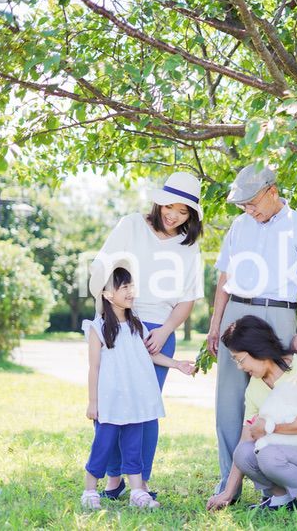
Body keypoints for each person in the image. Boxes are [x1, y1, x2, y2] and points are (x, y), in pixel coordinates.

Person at [206, 164, 297, 500]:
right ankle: (227, 483)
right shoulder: (238, 225)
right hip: (236, 311)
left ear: (272, 191)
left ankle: (271, 486)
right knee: (228, 402)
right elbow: (224, 278)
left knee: (278, 400)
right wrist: (215, 324)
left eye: (252, 202)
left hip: (279, 313)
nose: (248, 209)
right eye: (243, 205)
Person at [89, 171, 203, 499]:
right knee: (111, 403)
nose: (174, 216)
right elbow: (102, 269)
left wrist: (164, 331)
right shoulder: (131, 225)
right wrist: (110, 316)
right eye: (170, 207)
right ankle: (113, 479)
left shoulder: (189, 247)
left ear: (191, 216)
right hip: (119, 323)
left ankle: (142, 482)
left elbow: (187, 299)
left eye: (183, 212)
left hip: (158, 331)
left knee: (145, 410)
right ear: (159, 202)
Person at [206, 316, 297, 519]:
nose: (239, 367)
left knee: (267, 453)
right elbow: (246, 439)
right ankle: (282, 499)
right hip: (285, 460)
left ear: (258, 349)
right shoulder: (254, 387)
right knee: (244, 453)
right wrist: (228, 492)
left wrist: (268, 427)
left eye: (240, 359)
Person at [80, 263, 195, 510]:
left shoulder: (136, 324)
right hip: (111, 400)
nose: (131, 291)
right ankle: (90, 490)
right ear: (107, 294)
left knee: (133, 446)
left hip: (136, 400)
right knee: (103, 444)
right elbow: (94, 368)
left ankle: (136, 492)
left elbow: (151, 355)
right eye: (124, 287)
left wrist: (177, 364)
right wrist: (93, 402)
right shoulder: (97, 328)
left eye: (132, 286)